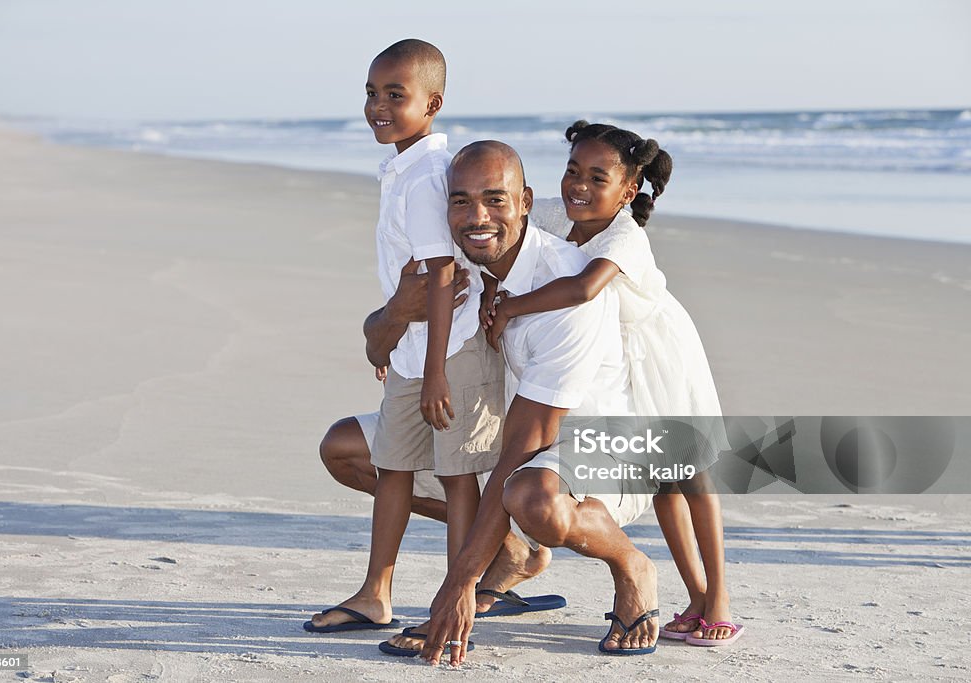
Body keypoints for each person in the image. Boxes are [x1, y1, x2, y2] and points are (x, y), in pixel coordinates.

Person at [479, 120, 742, 646]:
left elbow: (582, 286)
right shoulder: (555, 216)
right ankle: (690, 596)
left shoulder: (626, 235)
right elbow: (512, 245)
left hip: (660, 354)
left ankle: (718, 599)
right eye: (572, 170)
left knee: (690, 475)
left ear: (627, 191)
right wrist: (490, 286)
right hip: (615, 360)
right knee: (660, 479)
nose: (578, 185)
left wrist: (509, 307)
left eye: (597, 178)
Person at [420, 140, 661, 666]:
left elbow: (521, 452)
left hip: (605, 447)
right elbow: (382, 331)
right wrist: (393, 316)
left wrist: (459, 582)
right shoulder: (463, 259)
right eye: (460, 201)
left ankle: (632, 564)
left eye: (494, 200)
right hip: (519, 434)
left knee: (532, 498)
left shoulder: (565, 294)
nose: (476, 217)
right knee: (352, 451)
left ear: (525, 201)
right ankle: (515, 554)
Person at [304, 39, 505, 634]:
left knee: (455, 474)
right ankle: (375, 593)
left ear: (433, 102)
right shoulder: (401, 167)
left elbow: (441, 273)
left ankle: (452, 601)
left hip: (453, 353)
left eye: (396, 94)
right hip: (417, 351)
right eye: (371, 93)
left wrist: (436, 367)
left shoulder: (425, 177)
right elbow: (409, 280)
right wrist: (397, 345)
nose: (378, 105)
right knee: (392, 466)